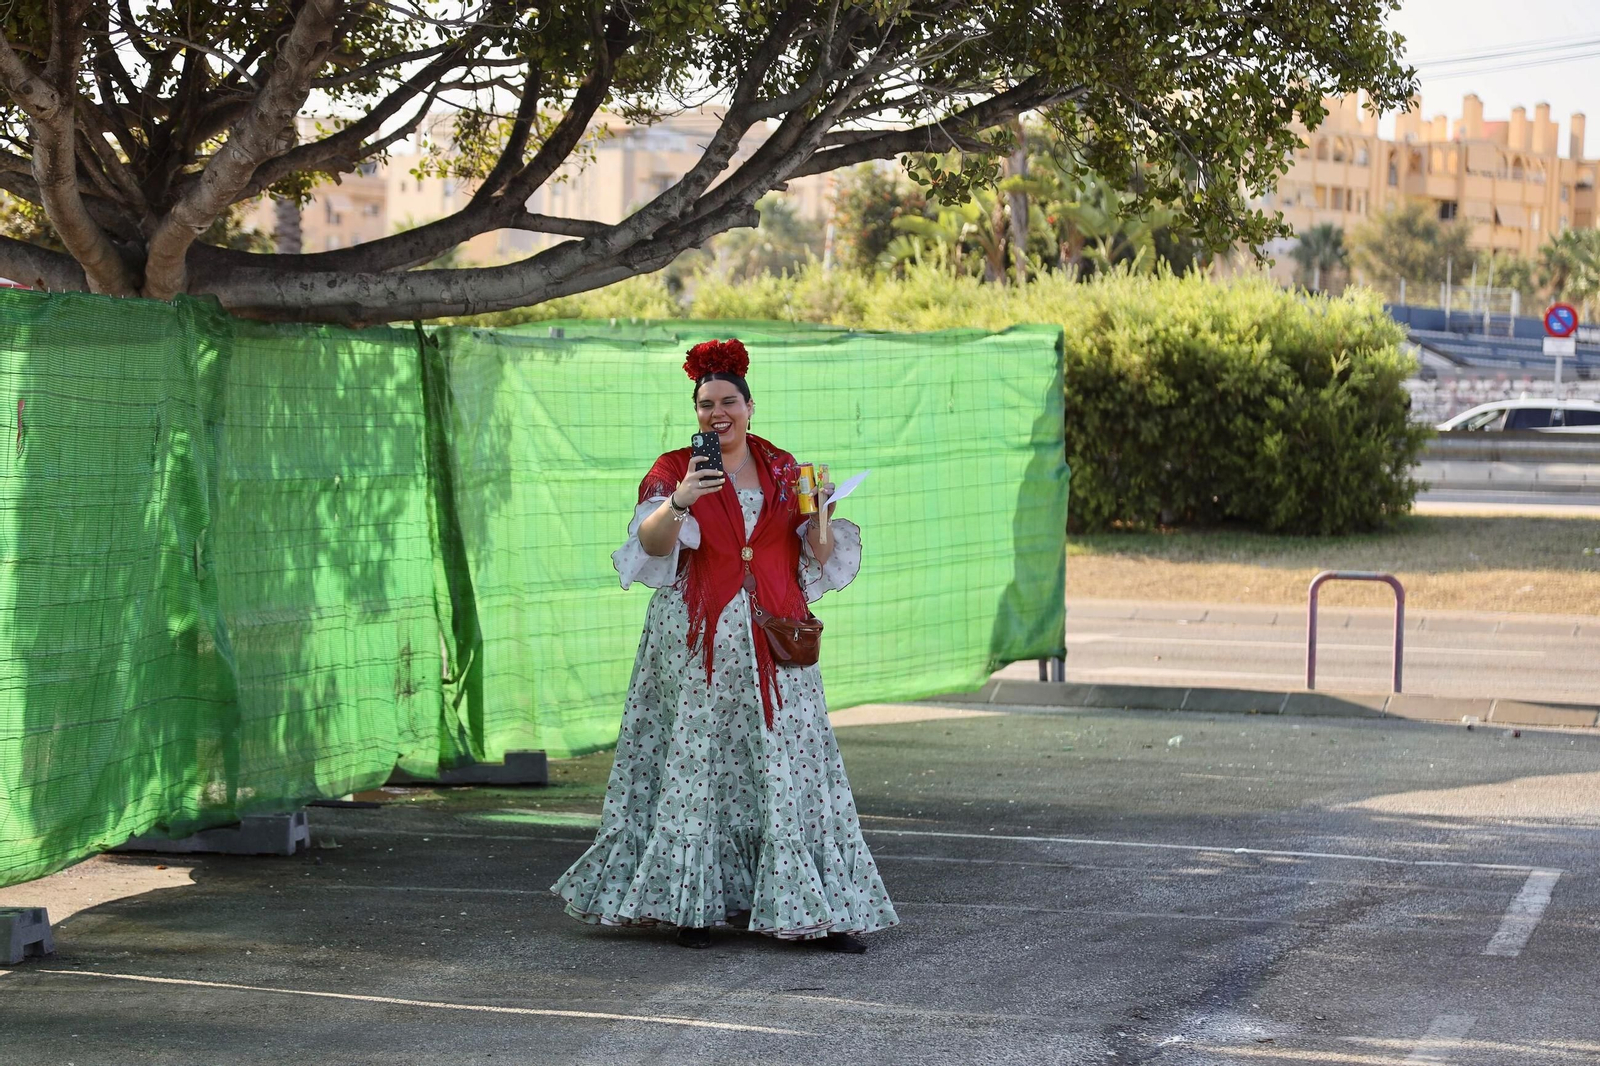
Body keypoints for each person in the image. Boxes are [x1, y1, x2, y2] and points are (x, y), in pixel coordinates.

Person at [551, 338, 898, 952]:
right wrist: (682, 497)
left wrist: (820, 520)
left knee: (786, 764)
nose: (718, 412)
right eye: (706, 403)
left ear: (749, 405)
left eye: (728, 401)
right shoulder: (672, 468)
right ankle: (691, 907)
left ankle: (816, 908)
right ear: (697, 411)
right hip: (695, 641)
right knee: (696, 764)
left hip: (771, 637)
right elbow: (653, 546)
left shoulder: (785, 467)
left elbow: (817, 555)